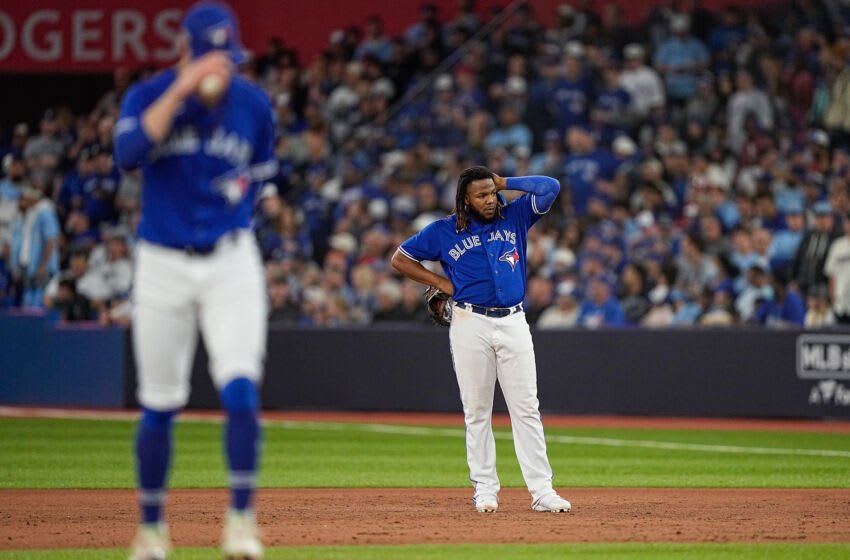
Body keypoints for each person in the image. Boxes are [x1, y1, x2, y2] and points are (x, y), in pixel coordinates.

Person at [113, 3, 275, 559]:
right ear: (185, 52)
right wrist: (180, 91)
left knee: (241, 391)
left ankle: (240, 523)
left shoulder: (251, 102)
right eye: (210, 57)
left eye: (227, 58)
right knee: (160, 402)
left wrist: (240, 200)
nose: (220, 69)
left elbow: (261, 170)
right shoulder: (149, 95)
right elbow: (128, 153)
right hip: (160, 261)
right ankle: (152, 529)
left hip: (230, 257)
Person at [390, 166, 571, 514]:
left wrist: (505, 183)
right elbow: (401, 258)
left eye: (491, 193)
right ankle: (485, 489)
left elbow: (550, 187)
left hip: (515, 320)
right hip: (470, 321)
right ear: (464, 200)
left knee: (527, 408)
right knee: (477, 410)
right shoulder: (443, 231)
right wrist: (441, 283)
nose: (490, 200)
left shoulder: (515, 216)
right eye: (482, 195)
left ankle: (542, 491)